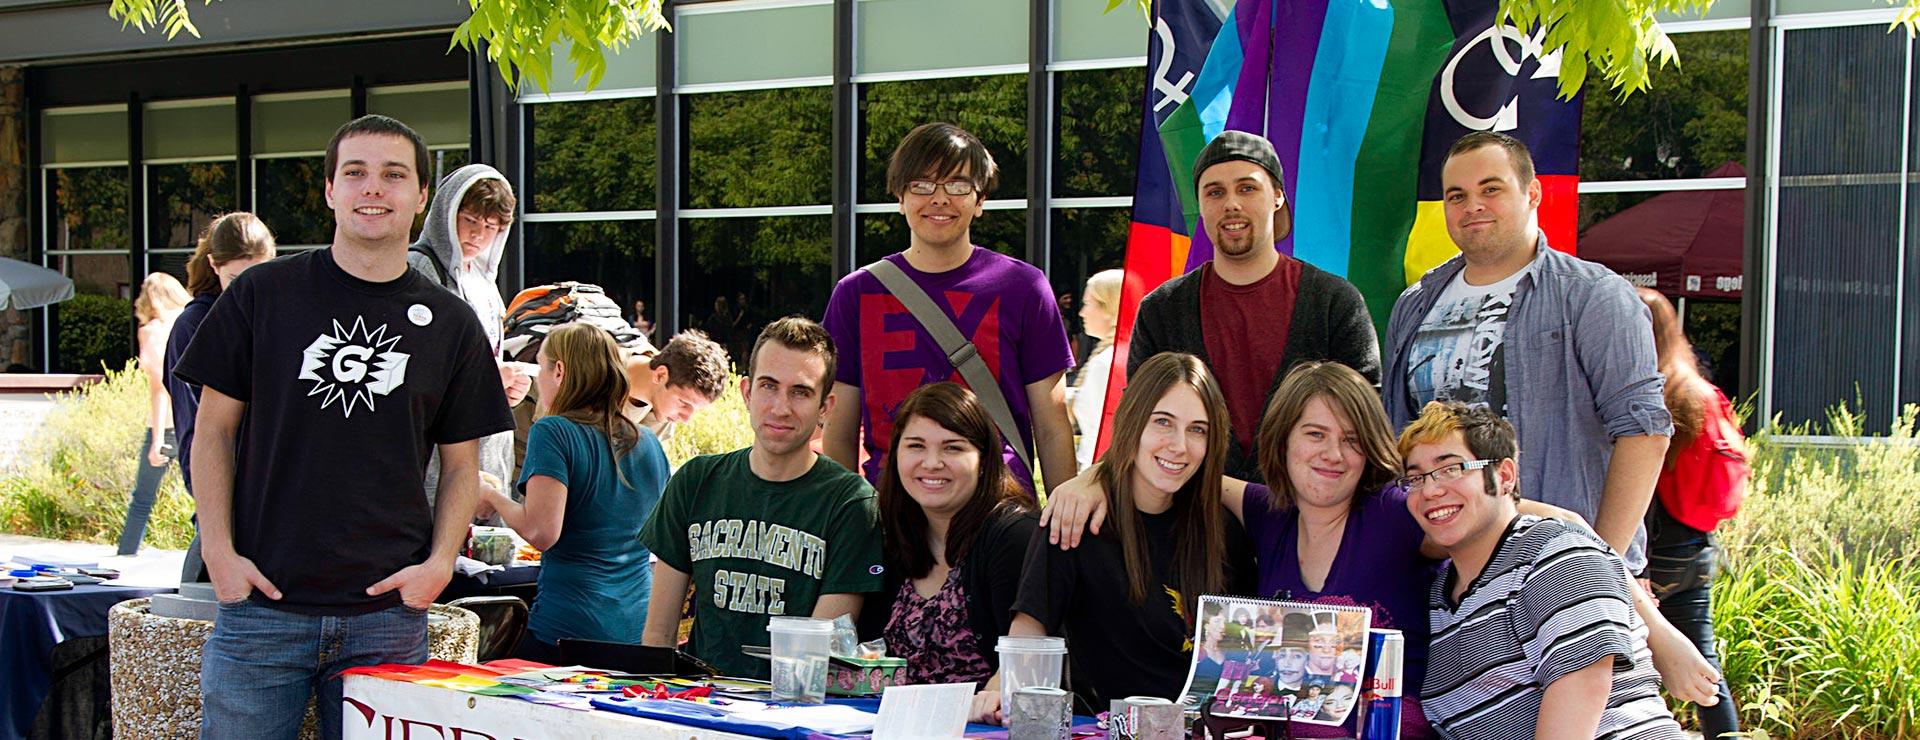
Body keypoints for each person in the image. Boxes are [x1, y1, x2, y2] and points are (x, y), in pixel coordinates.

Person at [176, 115, 514, 738]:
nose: (373, 189)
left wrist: (440, 563)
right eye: (354, 172)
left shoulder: (452, 323)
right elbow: (212, 432)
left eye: (393, 174)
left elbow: (466, 465)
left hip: (387, 615)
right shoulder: (261, 295)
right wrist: (219, 553)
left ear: (420, 197)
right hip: (260, 609)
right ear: (330, 189)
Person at [1045, 361, 1439, 738]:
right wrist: (1094, 478)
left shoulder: (1397, 514)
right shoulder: (1269, 515)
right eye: (1315, 434)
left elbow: (1472, 527)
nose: (1333, 454)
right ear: (1283, 440)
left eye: (1351, 440)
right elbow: (1183, 466)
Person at [1384, 130, 1672, 575]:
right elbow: (1396, 440)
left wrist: (1601, 567)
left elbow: (1644, 433)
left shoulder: (1593, 296)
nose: (1472, 206)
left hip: (1556, 573)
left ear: (1533, 193)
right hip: (1443, 576)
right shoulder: (1415, 304)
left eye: (1491, 189)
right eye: (1456, 195)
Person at [1400, 401, 1685, 739]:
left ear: (1504, 475)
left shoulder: (1558, 556)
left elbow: (1584, 688)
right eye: (1416, 478)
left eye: (1452, 469)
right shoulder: (1442, 595)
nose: (1430, 490)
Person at [995, 352, 1256, 719]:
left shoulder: (1225, 531)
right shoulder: (1075, 520)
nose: (1179, 445)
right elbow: (1028, 635)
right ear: (1132, 422)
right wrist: (1010, 700)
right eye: (1163, 422)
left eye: (1198, 429)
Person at [822, 122, 1076, 497]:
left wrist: (1062, 531)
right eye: (922, 185)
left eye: (957, 185)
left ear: (980, 201)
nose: (940, 199)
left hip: (998, 511)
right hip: (893, 513)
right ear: (900, 197)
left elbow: (1053, 426)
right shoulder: (855, 294)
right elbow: (839, 431)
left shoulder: (1024, 287)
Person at [1128, 131, 1380, 484]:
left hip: (1306, 521)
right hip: (1192, 522)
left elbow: (1365, 423)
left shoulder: (1334, 302)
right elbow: (1137, 425)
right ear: (1199, 204)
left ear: (1277, 196)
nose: (1231, 203)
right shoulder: (1162, 310)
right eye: (1215, 192)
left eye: (1247, 188)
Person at [639, 317, 885, 680]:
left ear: (825, 406)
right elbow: (658, 635)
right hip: (696, 704)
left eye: (800, 391)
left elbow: (819, 655)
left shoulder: (852, 503)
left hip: (792, 709)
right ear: (747, 392)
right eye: (769, 386)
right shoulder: (696, 481)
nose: (780, 407)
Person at [475, 323, 670, 663]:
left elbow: (540, 532)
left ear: (560, 371)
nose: (538, 380)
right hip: (636, 627)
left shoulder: (554, 431)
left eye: (541, 366)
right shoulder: (649, 441)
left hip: (567, 629)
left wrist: (490, 495)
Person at [857, 382, 1038, 707]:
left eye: (952, 448)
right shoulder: (890, 536)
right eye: (916, 446)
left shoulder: (1014, 536)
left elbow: (1028, 659)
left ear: (983, 459)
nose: (932, 463)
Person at [1638, 288, 1746, 738]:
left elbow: (1638, 486)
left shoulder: (1645, 395)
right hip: (1698, 548)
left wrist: (1633, 562)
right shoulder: (1702, 392)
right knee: (1706, 667)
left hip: (1649, 554)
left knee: (1614, 662)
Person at [407, 164, 528, 508]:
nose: (477, 234)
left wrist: (505, 386)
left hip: (486, 441)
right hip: (441, 450)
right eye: (470, 220)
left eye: (490, 227)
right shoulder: (422, 268)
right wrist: (490, 378)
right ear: (447, 212)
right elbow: (420, 360)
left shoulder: (483, 279)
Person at [165, 213, 276, 582]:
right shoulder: (194, 327)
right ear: (214, 264)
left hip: (275, 501)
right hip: (224, 509)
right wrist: (213, 521)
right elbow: (195, 429)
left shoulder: (274, 316)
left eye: (259, 277)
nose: (248, 290)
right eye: (236, 279)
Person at [117, 272, 192, 556]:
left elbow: (159, 386)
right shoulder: (191, 322)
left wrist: (157, 438)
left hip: (168, 424)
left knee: (142, 499)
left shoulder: (152, 331)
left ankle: (126, 556)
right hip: (195, 419)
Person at [1071, 268, 1123, 470]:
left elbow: (1102, 438)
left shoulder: (1106, 364)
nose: (1081, 312)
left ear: (1109, 308)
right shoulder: (1116, 357)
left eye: (1087, 303)